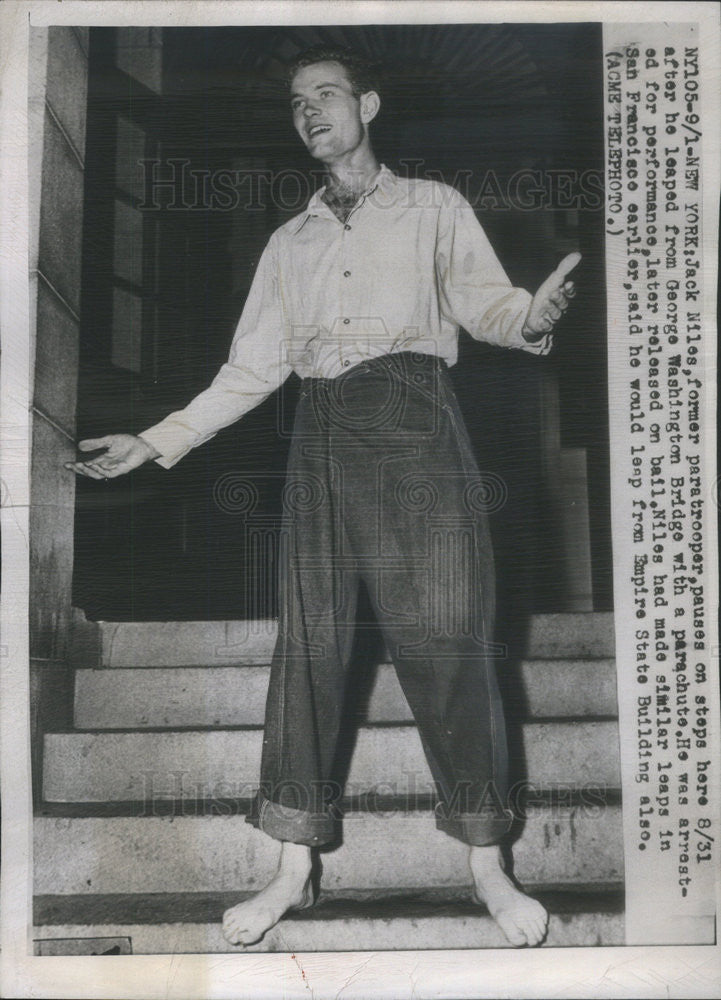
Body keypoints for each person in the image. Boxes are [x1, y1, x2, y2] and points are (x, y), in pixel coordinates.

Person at [66, 44, 579, 949]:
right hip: (320, 434)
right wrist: (156, 439)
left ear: (368, 105)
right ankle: (293, 864)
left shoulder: (432, 206)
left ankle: (487, 860)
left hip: (416, 419)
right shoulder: (287, 241)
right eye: (297, 101)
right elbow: (251, 368)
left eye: (327, 94)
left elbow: (489, 304)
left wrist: (529, 320)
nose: (310, 111)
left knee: (448, 636)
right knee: (309, 644)